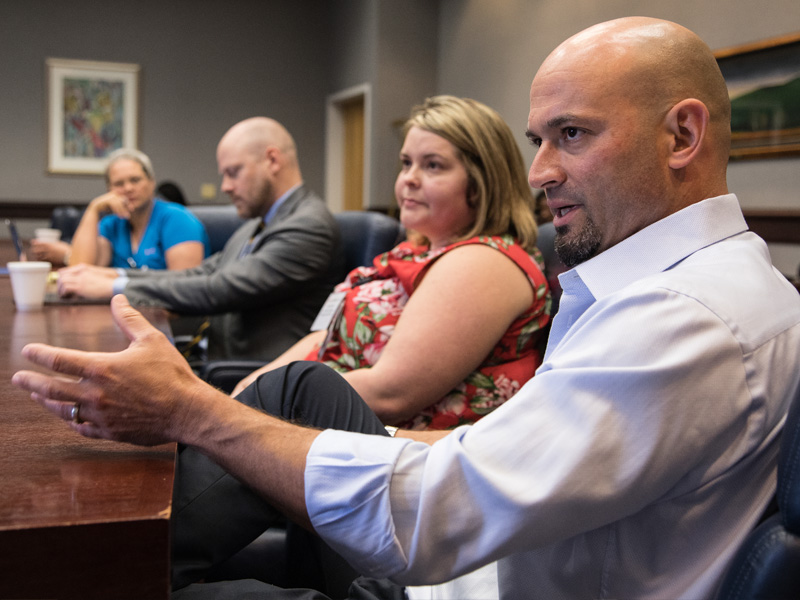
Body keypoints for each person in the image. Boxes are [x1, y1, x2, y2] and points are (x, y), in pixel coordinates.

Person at [13, 17, 800, 600]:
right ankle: (106, 553)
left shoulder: (687, 313)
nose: (542, 172)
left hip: (461, 572)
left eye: (571, 134)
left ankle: (86, 561)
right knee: (296, 398)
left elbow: (431, 514)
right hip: (478, 552)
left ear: (683, 134)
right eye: (538, 140)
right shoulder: (671, 284)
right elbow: (515, 451)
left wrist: (192, 411)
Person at [233, 95, 551, 431]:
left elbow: (391, 393)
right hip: (322, 425)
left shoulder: (485, 262)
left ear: (483, 181)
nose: (409, 178)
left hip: (394, 457)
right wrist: (254, 387)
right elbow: (323, 337)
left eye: (433, 165)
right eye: (406, 163)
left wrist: (264, 404)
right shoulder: (418, 250)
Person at [56, 117, 343, 362]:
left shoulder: (306, 224)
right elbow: (204, 271)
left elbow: (218, 289)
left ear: (272, 160)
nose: (225, 187)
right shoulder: (259, 223)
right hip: (213, 356)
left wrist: (115, 287)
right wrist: (112, 273)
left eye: (233, 172)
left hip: (253, 374)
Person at [28, 156, 208, 269]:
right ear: (109, 190)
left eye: (135, 180)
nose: (128, 188)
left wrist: (115, 281)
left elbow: (184, 288)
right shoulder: (112, 224)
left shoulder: (177, 219)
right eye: (119, 184)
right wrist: (93, 209)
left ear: (152, 182)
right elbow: (80, 269)